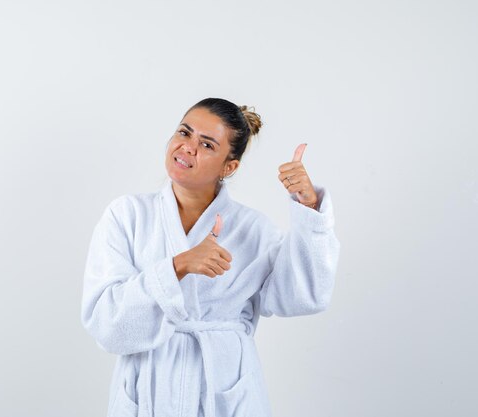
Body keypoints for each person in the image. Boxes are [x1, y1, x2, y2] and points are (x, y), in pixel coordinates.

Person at [81, 97, 340, 417]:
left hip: (224, 392)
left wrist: (309, 208)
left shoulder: (252, 229)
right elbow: (106, 324)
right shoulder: (126, 216)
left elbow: (303, 296)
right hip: (149, 391)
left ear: (228, 167)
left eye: (206, 144)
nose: (188, 147)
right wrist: (177, 266)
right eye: (184, 133)